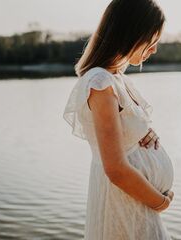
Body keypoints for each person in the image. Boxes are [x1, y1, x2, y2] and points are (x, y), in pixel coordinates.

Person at [63, 0, 175, 239]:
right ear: (131, 33)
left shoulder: (116, 78)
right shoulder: (100, 83)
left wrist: (144, 132)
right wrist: (160, 202)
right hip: (124, 206)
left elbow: (125, 133)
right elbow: (115, 168)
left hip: (135, 205)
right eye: (151, 40)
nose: (154, 49)